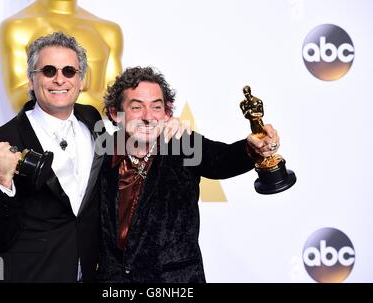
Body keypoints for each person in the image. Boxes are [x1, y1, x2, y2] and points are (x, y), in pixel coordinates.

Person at [0, 33, 187, 282]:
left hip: (89, 274)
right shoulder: (0, 143)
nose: (59, 79)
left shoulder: (91, 119)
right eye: (49, 70)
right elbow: (1, 233)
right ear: (32, 80)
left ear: (81, 80)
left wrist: (165, 125)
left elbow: (131, 143)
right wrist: (2, 180)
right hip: (30, 274)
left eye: (68, 71)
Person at [97, 66, 280, 282]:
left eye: (156, 107)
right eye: (136, 107)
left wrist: (252, 149)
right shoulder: (100, 155)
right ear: (114, 113)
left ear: (167, 112)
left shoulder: (182, 145)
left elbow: (221, 160)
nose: (148, 117)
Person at [0, 0, 123, 112]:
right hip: (40, 134)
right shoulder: (17, 27)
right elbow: (20, 101)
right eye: (49, 71)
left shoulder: (108, 31)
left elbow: (115, 102)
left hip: (96, 135)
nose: (60, 80)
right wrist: (78, 92)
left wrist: (54, 94)